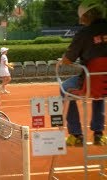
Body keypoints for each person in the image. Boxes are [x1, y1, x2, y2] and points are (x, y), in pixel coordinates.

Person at [58, 0, 107, 146]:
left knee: (64, 89)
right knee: (100, 89)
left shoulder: (84, 33)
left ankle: (76, 134)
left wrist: (62, 60)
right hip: (105, 84)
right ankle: (98, 134)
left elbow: (68, 59)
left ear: (86, 16)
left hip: (89, 83)